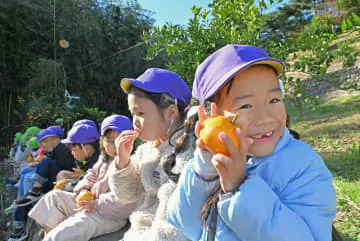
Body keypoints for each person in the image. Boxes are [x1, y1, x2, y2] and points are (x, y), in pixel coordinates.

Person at [166, 44, 337, 241]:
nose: (264, 117)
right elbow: (185, 223)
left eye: (273, 100)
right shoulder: (210, 165)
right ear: (215, 116)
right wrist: (205, 172)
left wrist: (239, 187)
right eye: (246, 105)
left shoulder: (303, 165)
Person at [107, 68, 195, 241]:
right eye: (132, 114)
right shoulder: (147, 149)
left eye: (141, 113)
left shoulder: (187, 153)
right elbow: (128, 195)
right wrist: (122, 162)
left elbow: (176, 225)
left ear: (171, 112)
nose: (135, 122)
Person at [28, 115, 138, 241]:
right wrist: (83, 190)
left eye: (120, 140)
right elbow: (91, 175)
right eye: (109, 140)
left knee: (61, 234)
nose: (115, 145)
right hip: (91, 203)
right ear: (102, 140)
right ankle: (48, 235)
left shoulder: (133, 163)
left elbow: (125, 201)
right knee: (53, 198)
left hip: (109, 215)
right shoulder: (105, 159)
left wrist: (95, 204)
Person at [8, 125, 75, 241]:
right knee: (26, 174)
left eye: (46, 141)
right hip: (52, 179)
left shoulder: (61, 148)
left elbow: (62, 168)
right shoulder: (55, 150)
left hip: (56, 181)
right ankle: (19, 222)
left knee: (30, 179)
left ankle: (19, 227)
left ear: (57, 139)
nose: (43, 144)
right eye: (42, 142)